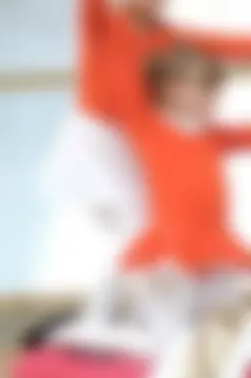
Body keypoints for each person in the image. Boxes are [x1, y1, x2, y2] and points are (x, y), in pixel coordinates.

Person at [43, 0, 251, 347]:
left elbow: (230, 45)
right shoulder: (103, 27)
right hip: (99, 143)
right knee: (147, 232)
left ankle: (147, 314)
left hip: (147, 145)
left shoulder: (171, 40)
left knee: (165, 229)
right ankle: (106, 319)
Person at [102, 44, 251, 346]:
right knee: (169, 337)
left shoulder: (212, 135)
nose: (211, 98)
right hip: (168, 250)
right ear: (169, 90)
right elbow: (116, 68)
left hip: (214, 247)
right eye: (201, 89)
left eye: (213, 90)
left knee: (227, 320)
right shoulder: (147, 127)